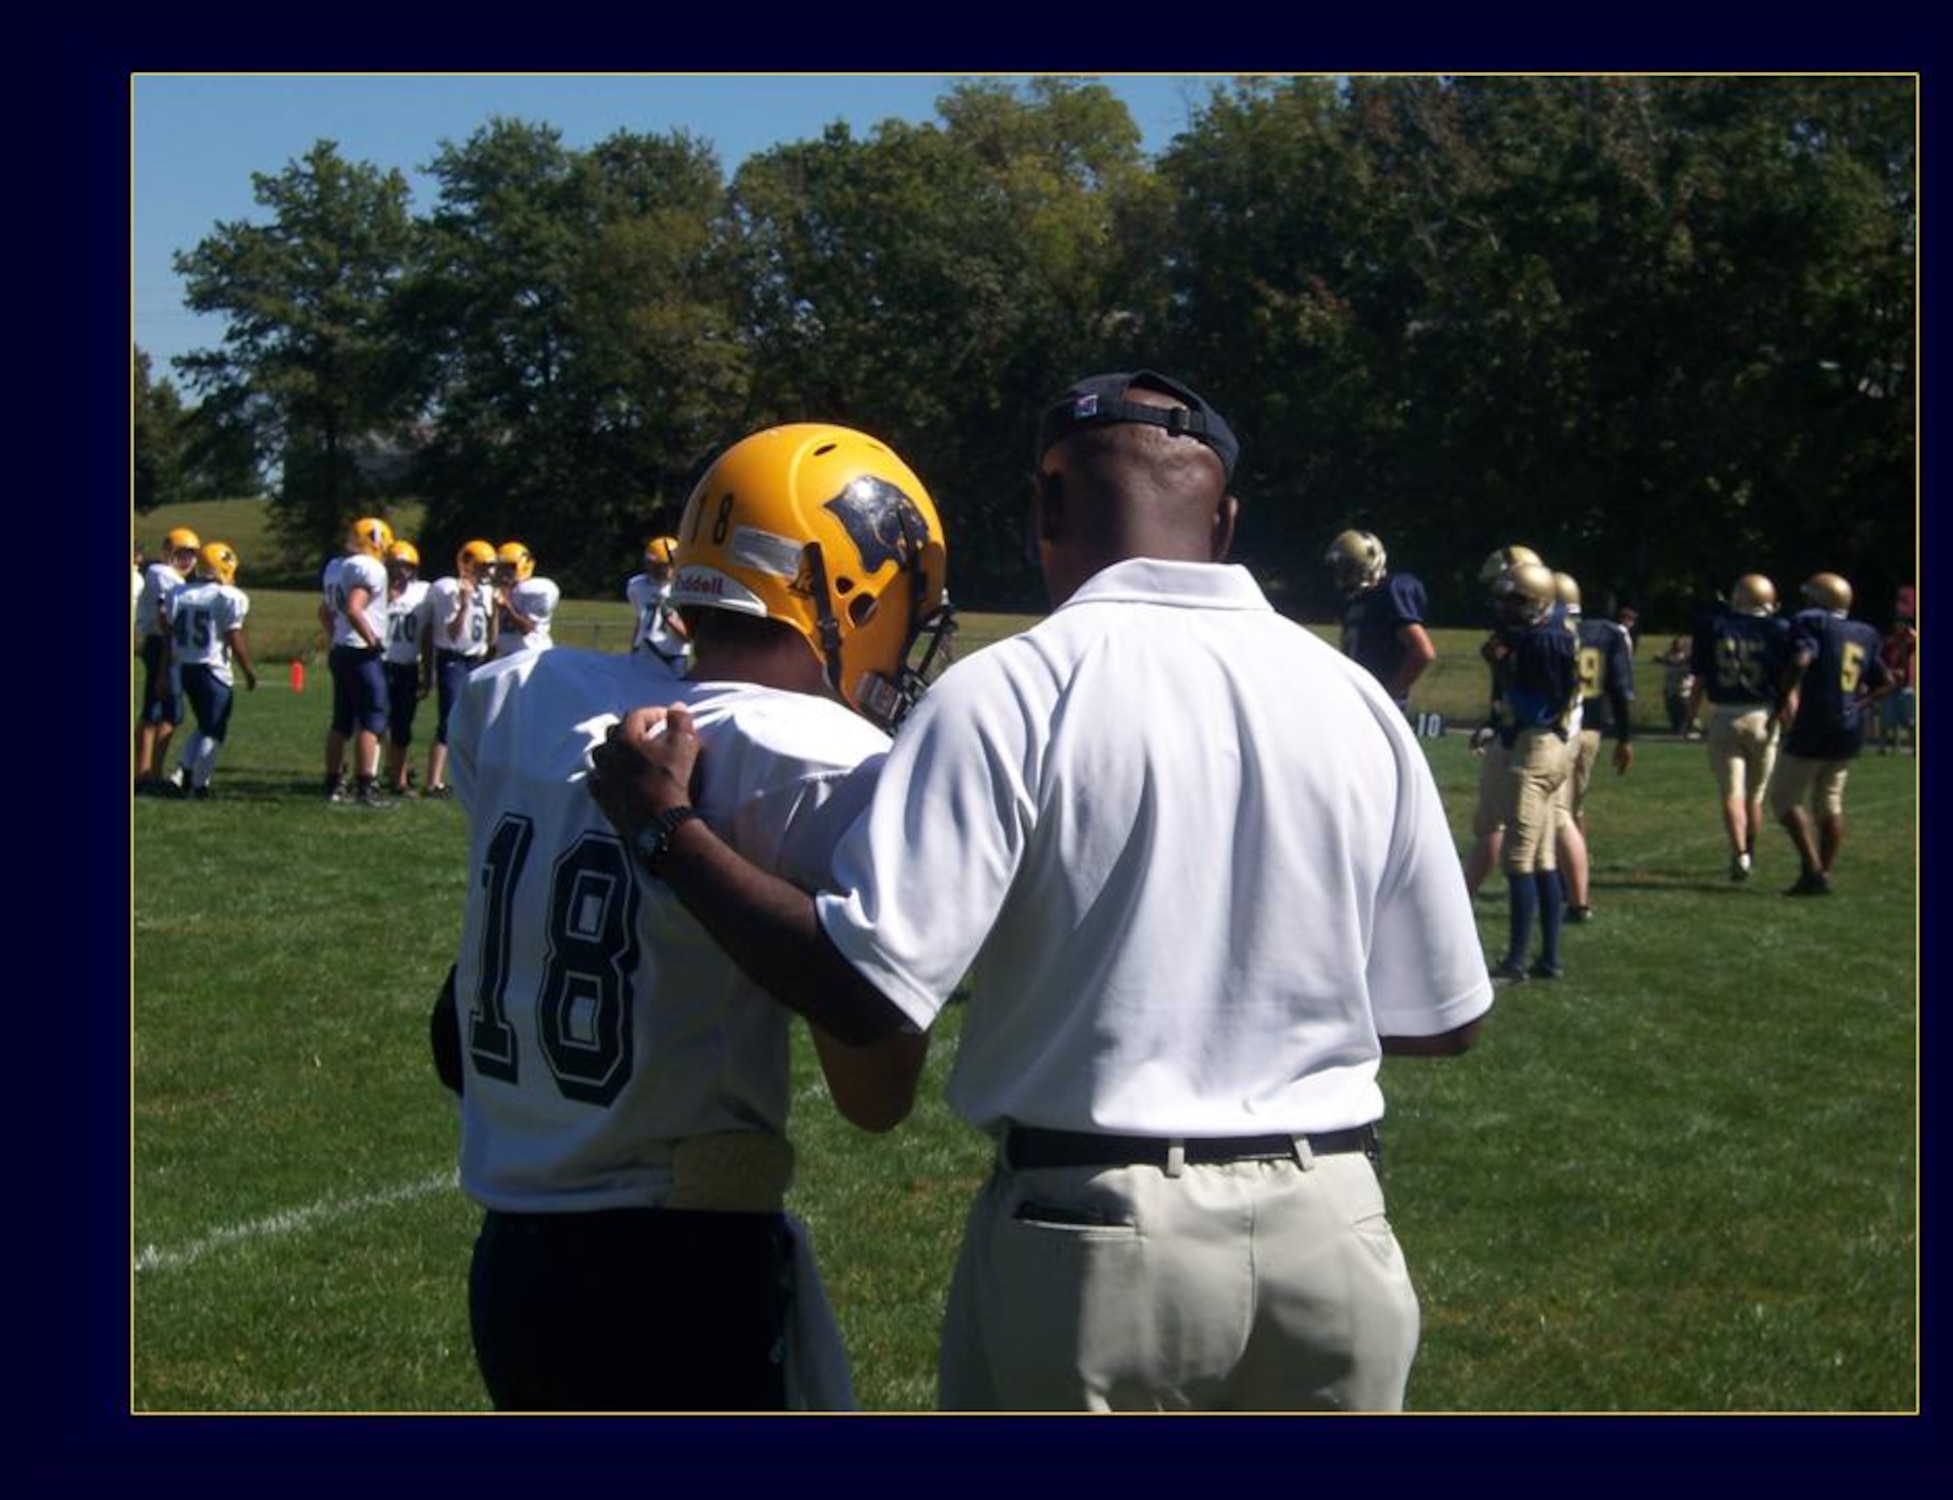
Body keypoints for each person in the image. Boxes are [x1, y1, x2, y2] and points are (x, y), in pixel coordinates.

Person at [591, 369, 1491, 1413]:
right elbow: (1443, 1019)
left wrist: (667, 830)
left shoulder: (1007, 687)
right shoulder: (1353, 699)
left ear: (1045, 508)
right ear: (1226, 518)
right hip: (1336, 1228)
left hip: (1096, 1232)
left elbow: (866, 993)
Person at [439, 422, 952, 1412]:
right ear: (849, 588)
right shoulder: (810, 754)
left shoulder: (522, 697)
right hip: (675, 1268)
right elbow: (873, 1091)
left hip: (512, 1259)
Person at [1484, 559, 1578, 983]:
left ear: (1538, 600)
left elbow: (1530, 704)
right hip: (1552, 744)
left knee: (1518, 857)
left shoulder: (1542, 642)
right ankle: (1550, 958)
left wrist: (1499, 666)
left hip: (1536, 747)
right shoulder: (1549, 634)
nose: (1508, 607)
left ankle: (1517, 961)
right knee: (1542, 857)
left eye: (1516, 599)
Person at [1771, 573, 1891, 896]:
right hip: (1850, 727)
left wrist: (1782, 697)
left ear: (1817, 600)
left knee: (1783, 798)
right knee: (1829, 801)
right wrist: (1859, 704)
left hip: (1815, 721)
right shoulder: (1865, 632)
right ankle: (1821, 873)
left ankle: (1812, 868)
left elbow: (1802, 658)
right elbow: (1887, 681)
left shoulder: (1811, 622)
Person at [1688, 574, 1792, 881]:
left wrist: (1690, 715)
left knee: (1731, 792)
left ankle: (1739, 854)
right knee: (1754, 796)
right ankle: (1749, 851)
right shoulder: (1780, 629)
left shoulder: (1714, 626)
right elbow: (1789, 678)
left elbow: (1700, 680)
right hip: (1763, 716)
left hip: (1724, 717)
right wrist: (1790, 716)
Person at [1462, 544, 1543, 897]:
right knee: (1558, 820)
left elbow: (1531, 688)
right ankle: (1571, 894)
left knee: (1507, 826)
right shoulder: (1541, 627)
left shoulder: (1541, 634)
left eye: (1508, 591)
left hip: (1533, 735)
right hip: (1533, 731)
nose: (1501, 601)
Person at [1559, 585, 1637, 922]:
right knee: (1574, 806)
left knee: (1560, 810)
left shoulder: (1553, 629)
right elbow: (1620, 689)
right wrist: (1624, 737)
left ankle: (1571, 884)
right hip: (1593, 726)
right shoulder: (1607, 633)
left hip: (1562, 728)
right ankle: (1578, 869)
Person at [165, 542, 257, 799]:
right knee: (215, 728)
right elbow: (234, 637)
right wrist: (248, 670)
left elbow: (170, 633)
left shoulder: (179, 593)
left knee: (205, 724)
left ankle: (181, 772)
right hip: (212, 670)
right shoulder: (227, 597)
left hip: (186, 667)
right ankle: (200, 784)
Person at [318, 517, 395, 806]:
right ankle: (366, 785)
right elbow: (353, 608)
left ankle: (333, 782)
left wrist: (338, 635)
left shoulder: (336, 566)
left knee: (341, 721)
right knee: (372, 720)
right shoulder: (368, 567)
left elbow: (324, 612)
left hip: (341, 650)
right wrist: (372, 640)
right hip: (361, 653)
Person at [418, 539, 498, 799]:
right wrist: (464, 604)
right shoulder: (449, 588)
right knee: (448, 720)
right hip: (453, 659)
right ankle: (432, 782)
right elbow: (451, 633)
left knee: (476, 721)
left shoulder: (485, 592)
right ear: (467, 563)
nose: (488, 572)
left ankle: (471, 778)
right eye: (483, 566)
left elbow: (490, 634)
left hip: (475, 660)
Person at [1326, 528, 1435, 710]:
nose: (1342, 575)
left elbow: (1423, 652)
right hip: (1358, 699)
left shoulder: (1390, 592)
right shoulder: (1354, 601)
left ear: (1369, 564)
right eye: (1340, 568)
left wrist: (1387, 696)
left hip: (1379, 704)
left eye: (1348, 567)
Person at [135, 526, 202, 794]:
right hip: (163, 645)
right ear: (166, 552)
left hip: (162, 644)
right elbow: (167, 617)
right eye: (181, 553)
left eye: (191, 554)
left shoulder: (171, 577)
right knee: (167, 712)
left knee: (155, 710)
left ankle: (146, 774)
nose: (187, 560)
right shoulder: (162, 574)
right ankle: (150, 773)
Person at [382, 540, 432, 796]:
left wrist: (428, 670)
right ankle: (365, 773)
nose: (401, 572)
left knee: (402, 725)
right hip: (379, 663)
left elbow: (426, 633)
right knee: (373, 723)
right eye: (395, 566)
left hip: (407, 666)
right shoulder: (374, 590)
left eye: (407, 567)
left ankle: (398, 778)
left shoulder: (423, 592)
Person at [627, 535, 692, 672]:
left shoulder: (685, 588)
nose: (654, 570)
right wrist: (633, 648)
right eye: (652, 565)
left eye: (661, 566)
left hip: (673, 656)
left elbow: (688, 636)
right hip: (645, 651)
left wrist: (669, 617)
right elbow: (640, 619)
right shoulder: (636, 585)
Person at [491, 541, 559, 658]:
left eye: (509, 567)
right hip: (506, 657)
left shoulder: (532, 589)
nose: (503, 572)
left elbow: (527, 629)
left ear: (524, 566)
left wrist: (507, 607)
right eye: (500, 567)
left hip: (531, 656)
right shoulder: (498, 590)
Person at [1876, 615, 1916, 754]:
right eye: (1898, 623)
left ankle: (1915, 749)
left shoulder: (1910, 642)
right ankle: (1882, 747)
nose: (1899, 626)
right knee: (1886, 719)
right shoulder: (1889, 642)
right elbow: (1880, 661)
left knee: (1911, 721)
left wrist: (1912, 631)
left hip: (1906, 687)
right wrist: (1890, 672)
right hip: (1890, 686)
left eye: (1903, 624)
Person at [1655, 635, 1696, 738]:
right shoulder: (1669, 656)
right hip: (1670, 691)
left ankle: (1685, 731)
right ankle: (1677, 732)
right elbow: (1659, 657)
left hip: (1684, 692)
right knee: (1674, 716)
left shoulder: (1688, 658)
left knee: (1683, 716)